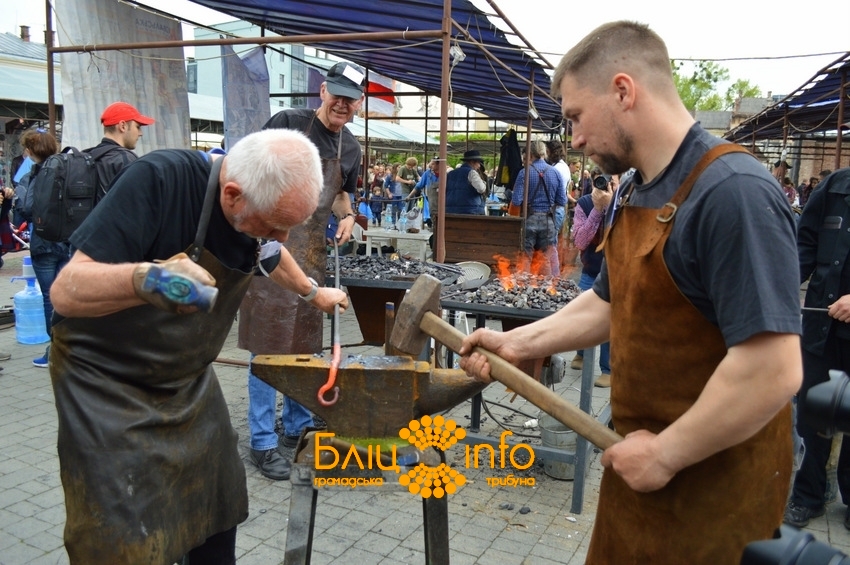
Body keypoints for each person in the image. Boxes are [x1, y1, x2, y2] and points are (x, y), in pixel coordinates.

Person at [458, 21, 801, 563]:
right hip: (638, 475)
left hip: (713, 496)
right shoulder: (639, 189)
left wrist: (666, 454)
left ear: (623, 91)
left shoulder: (732, 192)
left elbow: (772, 369)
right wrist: (519, 343)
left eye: (575, 116)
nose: (573, 138)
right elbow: (608, 301)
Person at [47, 128, 349, 564]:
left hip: (187, 380)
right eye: (274, 224)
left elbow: (268, 251)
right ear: (232, 195)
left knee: (218, 508)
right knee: (122, 537)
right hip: (106, 382)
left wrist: (313, 293)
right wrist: (151, 280)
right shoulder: (160, 180)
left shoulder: (254, 206)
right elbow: (66, 291)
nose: (282, 237)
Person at [239, 61, 363, 481]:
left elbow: (342, 193)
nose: (342, 104)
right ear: (323, 90)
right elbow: (249, 173)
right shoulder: (288, 123)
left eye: (351, 99)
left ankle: (296, 427)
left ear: (359, 103)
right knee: (266, 349)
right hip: (270, 250)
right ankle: (262, 441)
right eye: (337, 95)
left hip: (311, 256)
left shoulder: (351, 148)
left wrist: (349, 217)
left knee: (306, 348)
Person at [30, 102, 153, 369]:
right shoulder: (126, 161)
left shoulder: (86, 157)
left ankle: (69, 355)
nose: (141, 131)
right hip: (115, 253)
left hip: (81, 248)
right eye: (138, 125)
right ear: (123, 126)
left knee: (82, 307)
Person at [784, 168, 850, 529]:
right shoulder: (835, 187)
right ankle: (808, 495)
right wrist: (780, 286)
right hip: (821, 329)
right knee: (813, 416)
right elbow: (803, 245)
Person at [569, 173, 616, 387]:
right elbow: (580, 241)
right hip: (590, 269)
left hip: (615, 271)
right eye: (601, 181)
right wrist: (597, 210)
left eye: (611, 182)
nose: (605, 186)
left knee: (609, 317)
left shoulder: (625, 201)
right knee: (582, 315)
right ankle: (581, 353)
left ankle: (608, 368)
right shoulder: (585, 203)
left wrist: (612, 205)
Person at [510, 140, 566, 276]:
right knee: (546, 258)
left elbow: (516, 201)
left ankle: (524, 285)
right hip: (548, 221)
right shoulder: (555, 173)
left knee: (526, 257)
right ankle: (548, 285)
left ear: (530, 154)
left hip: (529, 219)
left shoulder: (524, 173)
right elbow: (562, 201)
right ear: (544, 153)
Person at [445, 149, 487, 215]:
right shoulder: (472, 173)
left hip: (450, 210)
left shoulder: (450, 173)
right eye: (478, 163)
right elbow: (481, 189)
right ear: (472, 162)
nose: (479, 166)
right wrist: (484, 183)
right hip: (470, 210)